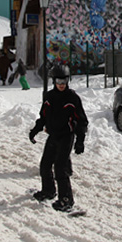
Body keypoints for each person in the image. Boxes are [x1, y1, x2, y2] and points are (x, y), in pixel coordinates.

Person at [29, 65, 88, 212]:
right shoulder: (49, 97)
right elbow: (43, 116)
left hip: (66, 136)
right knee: (45, 164)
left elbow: (82, 120)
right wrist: (36, 129)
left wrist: (80, 140)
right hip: (53, 135)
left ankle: (66, 199)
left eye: (64, 81)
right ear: (54, 81)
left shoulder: (72, 98)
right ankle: (48, 191)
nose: (61, 84)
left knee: (60, 168)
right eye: (58, 81)